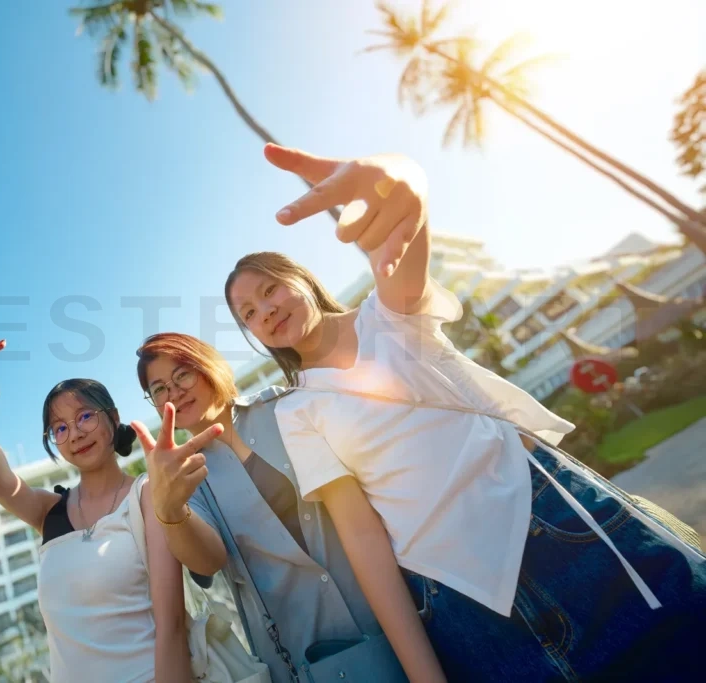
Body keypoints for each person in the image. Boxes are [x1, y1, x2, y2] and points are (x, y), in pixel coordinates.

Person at [222, 143, 706, 681]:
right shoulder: (297, 412)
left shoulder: (388, 315)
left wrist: (401, 183)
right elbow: (363, 538)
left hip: (561, 529)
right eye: (249, 313)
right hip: (462, 603)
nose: (266, 311)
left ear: (302, 281)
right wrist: (425, 674)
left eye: (271, 290)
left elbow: (406, 229)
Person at [132, 332, 414, 682]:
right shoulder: (184, 476)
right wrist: (169, 510)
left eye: (182, 374)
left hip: (387, 610)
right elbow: (209, 560)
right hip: (304, 658)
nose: (173, 392)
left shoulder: (284, 407)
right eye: (159, 389)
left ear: (206, 366)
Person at [0, 312, 189, 683]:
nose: (75, 433)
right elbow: (0, 478)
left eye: (85, 416)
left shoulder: (147, 494)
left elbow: (172, 625)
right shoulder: (50, 512)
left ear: (113, 418)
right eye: (60, 428)